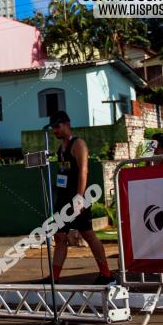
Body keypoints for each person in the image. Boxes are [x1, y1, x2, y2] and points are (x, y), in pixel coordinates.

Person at [46, 110, 114, 285]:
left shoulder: (79, 144)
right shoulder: (60, 148)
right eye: (53, 128)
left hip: (77, 197)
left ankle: (107, 275)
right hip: (63, 198)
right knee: (60, 237)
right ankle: (54, 279)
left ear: (67, 124)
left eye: (57, 126)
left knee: (88, 235)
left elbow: (84, 170)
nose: (55, 131)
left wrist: (79, 196)